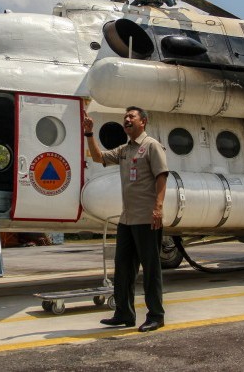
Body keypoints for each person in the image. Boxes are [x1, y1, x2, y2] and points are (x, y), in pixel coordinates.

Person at [83, 106, 169, 333]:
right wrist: (89, 134)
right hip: (127, 219)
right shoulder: (124, 150)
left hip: (147, 218)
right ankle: (124, 313)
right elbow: (98, 157)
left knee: (150, 270)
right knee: (122, 269)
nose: (127, 120)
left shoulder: (151, 146)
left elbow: (162, 176)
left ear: (144, 122)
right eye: (125, 117)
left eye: (132, 116)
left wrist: (158, 208)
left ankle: (156, 316)